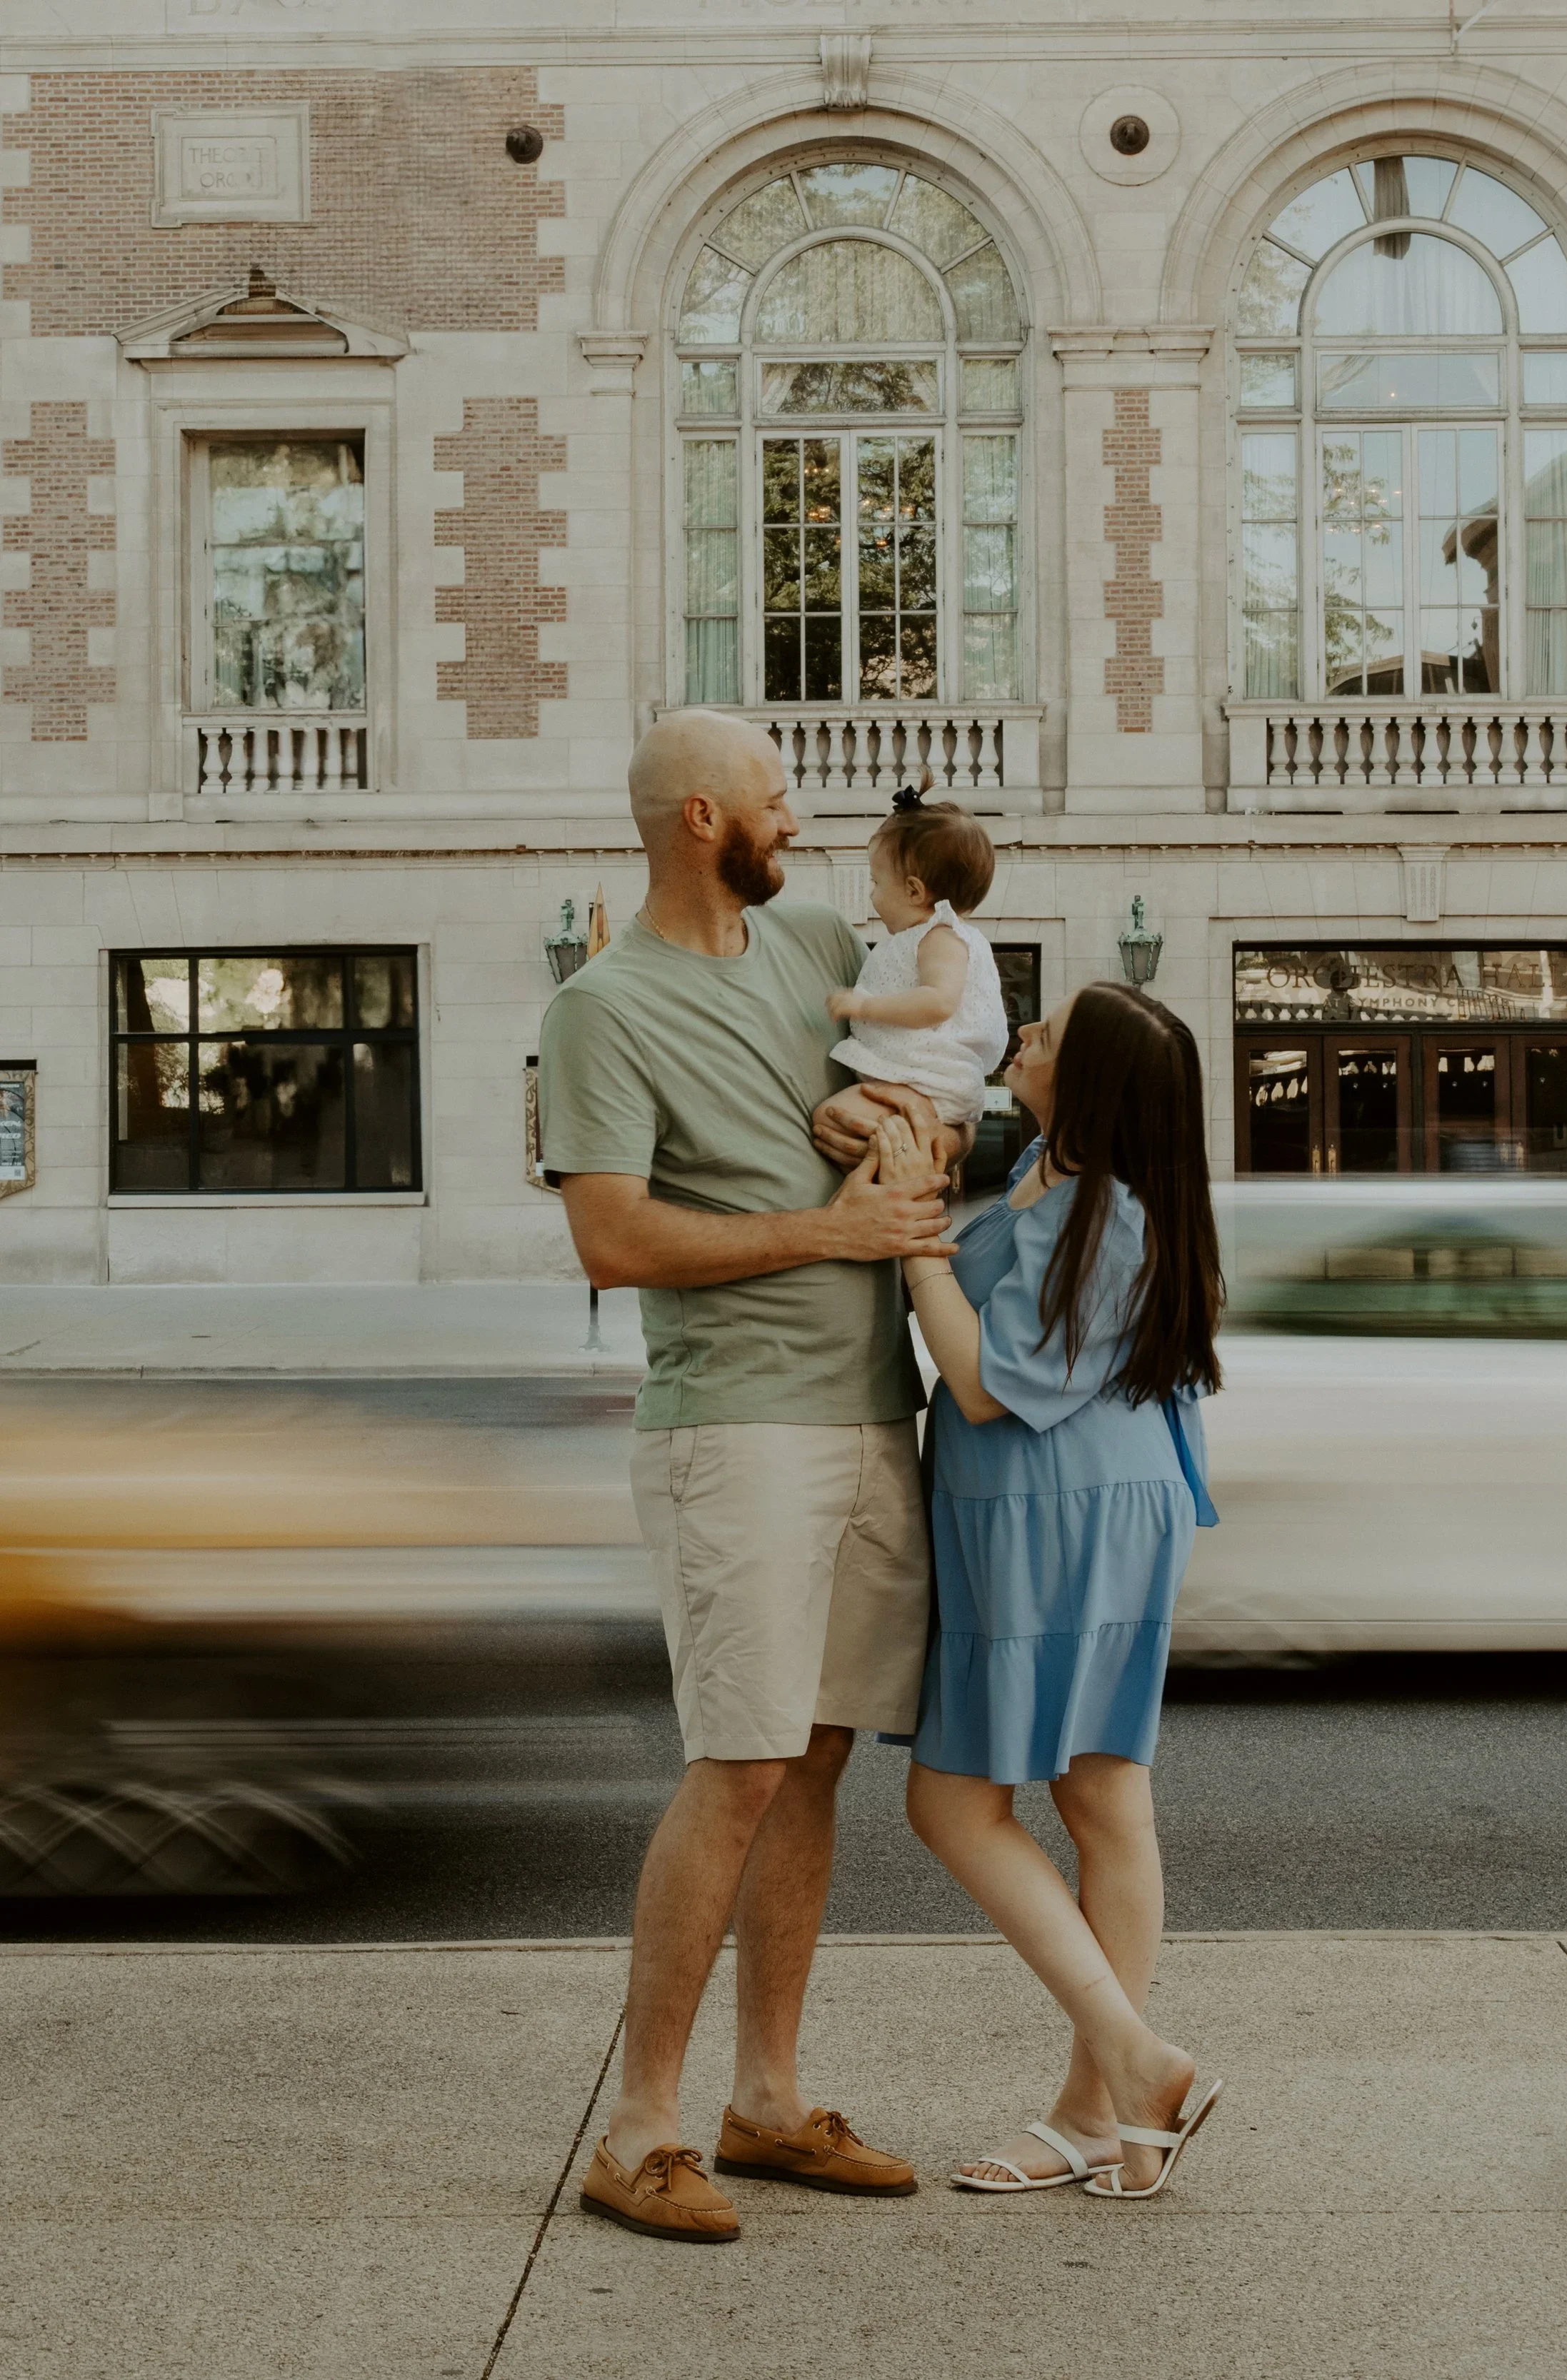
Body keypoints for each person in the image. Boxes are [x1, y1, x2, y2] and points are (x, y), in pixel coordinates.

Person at [537, 709, 965, 2245]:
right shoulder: (605, 1007)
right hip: (733, 1429)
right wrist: (826, 1233)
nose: (802, 818)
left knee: (815, 1753)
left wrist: (917, 1137)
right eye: (779, 798)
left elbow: (899, 1095)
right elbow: (610, 1237)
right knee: (735, 1761)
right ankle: (639, 2126)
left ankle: (765, 2101)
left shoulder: (815, 946)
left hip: (868, 1408)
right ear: (704, 816)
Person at [871, 981, 1224, 2202]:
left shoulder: (1110, 1210)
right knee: (1095, 1796)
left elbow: (982, 1383)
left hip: (1062, 1513)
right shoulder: (1053, 1182)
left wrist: (914, 1246)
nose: (1022, 1034)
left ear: (1093, 1086)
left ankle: (1117, 2079)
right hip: (1045, 1508)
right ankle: (1112, 2107)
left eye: (1050, 1036)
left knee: (979, 1801)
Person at [826, 782, 1008, 1130]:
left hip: (928, 1083)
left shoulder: (941, 937)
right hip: (911, 1078)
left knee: (831, 1119)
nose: (872, 896)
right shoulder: (922, 938)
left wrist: (863, 1007)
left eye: (876, 882)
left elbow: (938, 1002)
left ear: (913, 890)